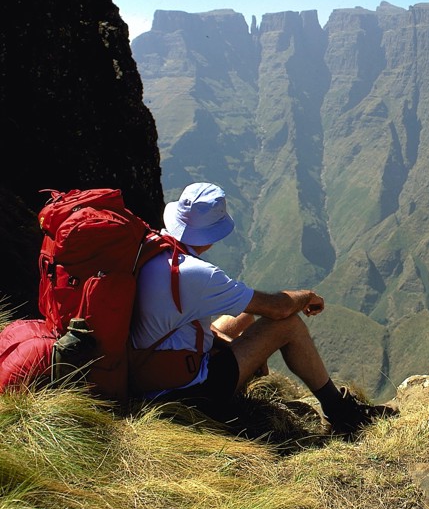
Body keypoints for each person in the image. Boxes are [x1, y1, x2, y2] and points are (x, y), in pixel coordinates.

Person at [129, 182, 395, 437]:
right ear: (212, 234)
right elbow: (278, 309)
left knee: (245, 313)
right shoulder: (197, 275)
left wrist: (228, 343)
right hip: (186, 393)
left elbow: (176, 321)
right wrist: (307, 297)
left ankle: (250, 367)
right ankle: (342, 412)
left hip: (145, 371)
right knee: (286, 325)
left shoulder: (151, 250)